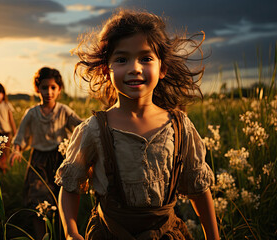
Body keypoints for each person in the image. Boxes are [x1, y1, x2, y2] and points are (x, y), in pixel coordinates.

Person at [55, 9, 220, 240]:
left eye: (145, 58)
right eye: (122, 59)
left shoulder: (180, 127)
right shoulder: (94, 129)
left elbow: (199, 190)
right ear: (106, 68)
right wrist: (71, 231)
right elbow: (70, 186)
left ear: (163, 68)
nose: (134, 68)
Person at [11, 67, 82, 240]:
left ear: (59, 89)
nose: (48, 92)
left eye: (53, 87)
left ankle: (61, 232)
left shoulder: (64, 110)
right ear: (38, 89)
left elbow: (81, 126)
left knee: (61, 198)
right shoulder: (32, 113)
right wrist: (17, 149)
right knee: (38, 201)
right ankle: (41, 236)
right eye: (44, 87)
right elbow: (20, 134)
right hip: (38, 161)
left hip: (60, 158)